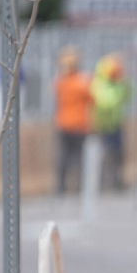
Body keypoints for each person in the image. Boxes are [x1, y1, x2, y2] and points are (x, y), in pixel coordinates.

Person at [53, 46, 92, 195]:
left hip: (64, 124)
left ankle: (61, 187)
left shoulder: (60, 82)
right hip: (79, 125)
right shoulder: (82, 82)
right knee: (79, 157)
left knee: (63, 157)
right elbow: (91, 98)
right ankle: (79, 187)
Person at [91, 54, 131, 191]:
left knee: (118, 155)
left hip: (116, 125)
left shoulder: (118, 84)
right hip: (102, 127)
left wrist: (124, 83)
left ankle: (116, 182)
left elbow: (129, 95)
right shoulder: (99, 84)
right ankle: (102, 183)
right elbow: (107, 103)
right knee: (104, 156)